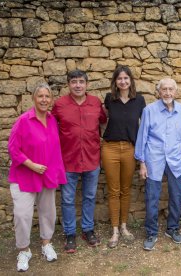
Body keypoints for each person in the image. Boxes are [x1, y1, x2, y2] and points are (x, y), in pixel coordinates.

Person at [8, 83, 67, 272]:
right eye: (40, 96)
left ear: (51, 99)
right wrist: (31, 164)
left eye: (47, 96)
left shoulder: (51, 120)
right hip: (25, 175)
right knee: (22, 214)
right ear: (33, 98)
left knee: (48, 212)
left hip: (46, 175)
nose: (44, 100)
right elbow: (12, 148)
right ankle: (24, 250)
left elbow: (54, 149)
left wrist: (56, 172)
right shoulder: (23, 120)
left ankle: (46, 243)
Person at [52, 70, 107, 253]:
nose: (78, 85)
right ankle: (69, 234)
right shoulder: (59, 105)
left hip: (92, 158)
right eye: (74, 81)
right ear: (68, 84)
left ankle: (87, 230)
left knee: (90, 197)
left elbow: (103, 121)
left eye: (81, 81)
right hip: (68, 160)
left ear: (86, 84)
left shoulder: (96, 103)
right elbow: (51, 127)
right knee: (67, 199)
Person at [135, 77, 181, 251]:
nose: (167, 93)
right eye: (164, 89)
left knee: (177, 195)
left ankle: (172, 229)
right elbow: (142, 136)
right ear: (158, 92)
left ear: (176, 92)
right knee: (152, 197)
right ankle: (151, 232)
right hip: (154, 158)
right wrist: (142, 162)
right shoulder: (149, 110)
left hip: (176, 158)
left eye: (170, 89)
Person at [101, 65, 146, 248]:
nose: (123, 81)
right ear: (115, 81)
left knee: (126, 189)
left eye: (126, 78)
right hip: (110, 148)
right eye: (119, 78)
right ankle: (114, 230)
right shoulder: (109, 99)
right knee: (113, 190)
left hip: (129, 149)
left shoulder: (139, 100)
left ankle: (125, 225)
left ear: (130, 80)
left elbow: (144, 127)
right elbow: (102, 122)